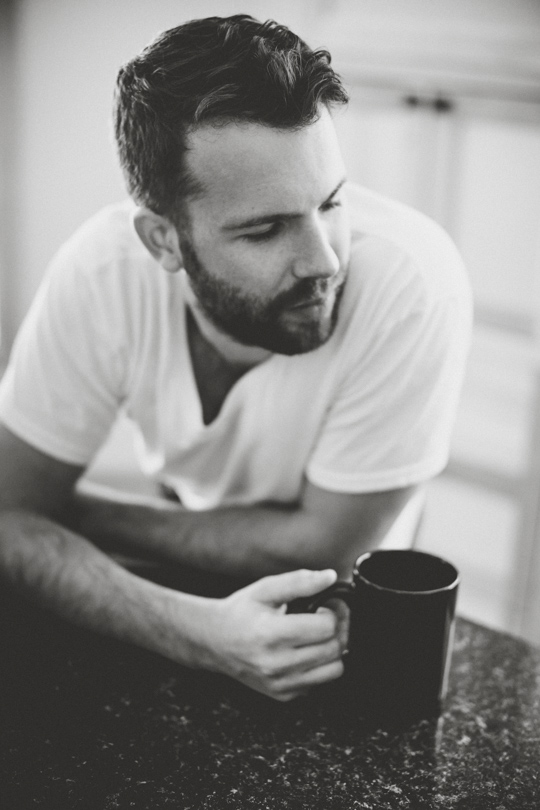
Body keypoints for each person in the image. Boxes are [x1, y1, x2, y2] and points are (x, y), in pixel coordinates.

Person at [0, 15, 471, 702]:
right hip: (186, 558)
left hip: (347, 599)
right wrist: (197, 633)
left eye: (332, 202)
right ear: (164, 242)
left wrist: (82, 515)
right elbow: (10, 517)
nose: (326, 259)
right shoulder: (101, 274)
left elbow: (323, 545)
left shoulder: (412, 283)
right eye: (265, 229)